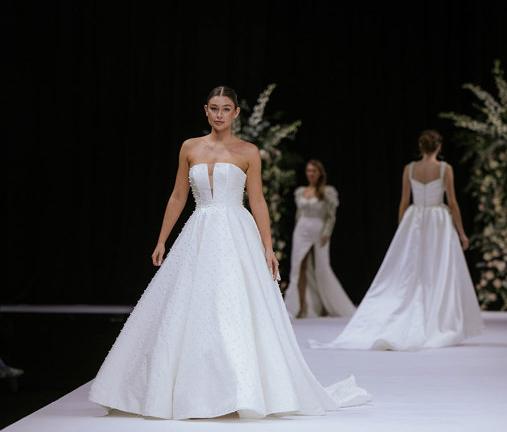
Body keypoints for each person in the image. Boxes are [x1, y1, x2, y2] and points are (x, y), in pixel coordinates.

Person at [88, 86, 370, 420]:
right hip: (198, 231)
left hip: (236, 234)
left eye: (226, 108)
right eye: (214, 108)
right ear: (205, 111)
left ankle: (239, 389)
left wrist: (268, 247)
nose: (219, 114)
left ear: (236, 113)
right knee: (189, 307)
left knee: (232, 305)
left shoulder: (248, 151)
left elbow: (258, 200)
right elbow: (178, 196)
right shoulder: (190, 147)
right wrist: (162, 239)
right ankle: (183, 390)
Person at [310, 130, 484, 350]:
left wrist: (403, 228)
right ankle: (436, 316)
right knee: (437, 270)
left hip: (415, 219)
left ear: (421, 148)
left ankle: (417, 311)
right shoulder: (444, 168)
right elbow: (453, 203)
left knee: (415, 271)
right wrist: (461, 232)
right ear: (438, 147)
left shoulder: (409, 169)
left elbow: (403, 201)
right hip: (438, 220)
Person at [284, 160, 355, 318]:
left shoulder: (327, 192)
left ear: (320, 173)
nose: (311, 174)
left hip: (318, 229)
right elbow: (298, 215)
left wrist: (326, 233)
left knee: (321, 268)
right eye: (308, 171)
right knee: (299, 267)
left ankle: (326, 304)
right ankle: (301, 306)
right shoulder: (301, 191)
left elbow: (331, 216)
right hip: (302, 229)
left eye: (314, 171)